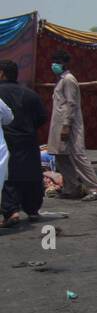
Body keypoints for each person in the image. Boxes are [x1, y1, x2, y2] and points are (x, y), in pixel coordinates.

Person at [47, 49, 97, 200]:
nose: (54, 65)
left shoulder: (69, 79)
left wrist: (66, 125)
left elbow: (71, 104)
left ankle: (96, 188)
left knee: (77, 155)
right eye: (54, 62)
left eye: (58, 62)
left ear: (65, 63)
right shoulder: (61, 80)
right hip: (59, 124)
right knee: (61, 156)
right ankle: (72, 188)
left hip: (69, 125)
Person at [0, 60, 49, 225]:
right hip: (28, 139)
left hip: (6, 140)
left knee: (8, 176)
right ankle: (32, 210)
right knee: (31, 174)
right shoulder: (29, 93)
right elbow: (42, 117)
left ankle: (11, 211)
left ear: (2, 73)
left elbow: (7, 117)